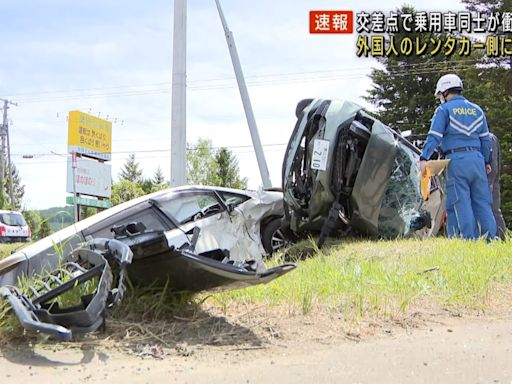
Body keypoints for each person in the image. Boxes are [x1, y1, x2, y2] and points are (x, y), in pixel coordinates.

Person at [419, 74, 497, 240]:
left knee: (461, 202)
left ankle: (470, 241)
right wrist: (486, 161)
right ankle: (491, 239)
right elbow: (485, 139)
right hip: (477, 160)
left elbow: (434, 137)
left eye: (441, 95)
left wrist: (424, 158)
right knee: (483, 202)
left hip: (457, 160)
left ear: (446, 92)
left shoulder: (444, 110)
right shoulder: (477, 110)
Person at [488, 132, 507, 239]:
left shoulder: (488, 138)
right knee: (495, 209)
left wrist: (489, 182)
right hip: (492, 179)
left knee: (494, 209)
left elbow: (493, 165)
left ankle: (501, 237)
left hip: (490, 180)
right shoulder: (491, 137)